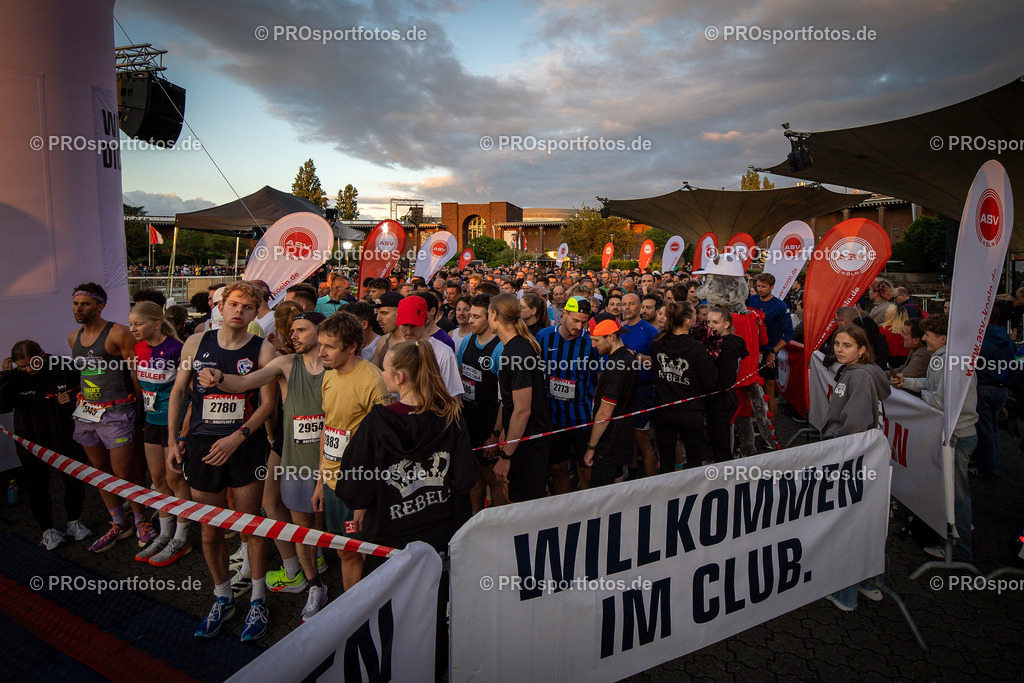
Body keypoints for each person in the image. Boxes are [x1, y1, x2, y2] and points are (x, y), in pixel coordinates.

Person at [336, 339, 478, 679]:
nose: (381, 375)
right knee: (434, 615)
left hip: (389, 541)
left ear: (399, 377)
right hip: (439, 539)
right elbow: (465, 478)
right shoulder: (450, 415)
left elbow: (354, 490)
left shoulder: (376, 423)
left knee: (388, 620)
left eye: (384, 370)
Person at [199, 312, 330, 622]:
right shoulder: (286, 363)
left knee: (318, 514)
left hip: (327, 453)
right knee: (278, 506)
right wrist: (220, 379)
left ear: (321, 332)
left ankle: (317, 562)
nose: (293, 335)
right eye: (292, 330)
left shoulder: (336, 366)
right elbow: (247, 381)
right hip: (288, 448)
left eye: (301, 329)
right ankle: (304, 573)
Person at [167, 281, 277, 640]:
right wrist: (173, 440)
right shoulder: (197, 342)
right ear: (221, 306)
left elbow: (267, 405)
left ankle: (258, 598)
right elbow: (180, 391)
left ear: (255, 311)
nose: (238, 311)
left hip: (244, 445)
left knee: (251, 525)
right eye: (232, 304)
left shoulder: (264, 349)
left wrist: (237, 437)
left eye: (247, 307)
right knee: (210, 528)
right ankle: (223, 595)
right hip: (202, 445)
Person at [313, 312, 392, 592]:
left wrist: (363, 500)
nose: (321, 352)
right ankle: (351, 612)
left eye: (329, 346)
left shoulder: (373, 380)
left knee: (361, 552)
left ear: (351, 347)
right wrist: (321, 481)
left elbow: (382, 445)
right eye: (320, 344)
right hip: (333, 484)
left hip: (359, 487)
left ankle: (361, 615)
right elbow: (328, 427)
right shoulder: (329, 374)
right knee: (344, 550)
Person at [67, 283, 148, 552]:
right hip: (87, 411)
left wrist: (138, 406)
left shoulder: (117, 333)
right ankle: (118, 522)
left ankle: (141, 521)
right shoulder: (73, 338)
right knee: (100, 472)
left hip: (117, 412)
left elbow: (137, 371)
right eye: (76, 303)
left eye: (86, 303)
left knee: (124, 473)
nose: (79, 308)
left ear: (100, 305)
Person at [893, 315, 976, 562]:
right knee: (951, 494)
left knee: (956, 497)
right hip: (958, 432)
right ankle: (955, 544)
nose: (924, 338)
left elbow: (940, 400)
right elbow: (932, 385)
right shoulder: (944, 356)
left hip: (957, 435)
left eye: (928, 334)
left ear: (943, 338)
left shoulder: (948, 359)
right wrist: (906, 382)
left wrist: (920, 398)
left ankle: (960, 552)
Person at [821, 324, 891, 612]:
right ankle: (869, 582)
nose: (839, 349)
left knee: (851, 523)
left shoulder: (859, 376)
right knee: (865, 521)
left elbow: (855, 424)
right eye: (837, 343)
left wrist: (838, 453)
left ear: (862, 349)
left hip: (852, 457)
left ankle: (846, 593)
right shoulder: (857, 371)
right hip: (861, 456)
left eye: (847, 345)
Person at [1, 342, 89, 549]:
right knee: (37, 486)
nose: (29, 370)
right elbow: (2, 405)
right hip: (31, 440)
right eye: (22, 366)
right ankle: (47, 530)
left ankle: (74, 522)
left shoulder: (64, 367)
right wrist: (6, 377)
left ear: (42, 354)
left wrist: (73, 399)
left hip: (65, 436)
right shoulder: (14, 377)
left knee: (73, 481)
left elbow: (87, 392)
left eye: (33, 363)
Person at [129, 302, 192, 567]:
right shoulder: (138, 347)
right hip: (151, 421)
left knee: (174, 479)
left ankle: (182, 536)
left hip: (172, 422)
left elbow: (188, 392)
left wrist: (182, 432)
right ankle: (165, 533)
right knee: (156, 478)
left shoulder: (178, 350)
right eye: (131, 324)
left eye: (138, 324)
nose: (133, 329)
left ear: (156, 323)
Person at [488, 292, 552, 502]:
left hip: (528, 447)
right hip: (523, 440)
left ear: (495, 315)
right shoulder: (518, 347)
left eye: (488, 313)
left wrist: (506, 456)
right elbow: (509, 402)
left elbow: (522, 410)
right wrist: (502, 429)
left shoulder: (516, 353)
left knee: (524, 504)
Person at [536, 297, 597, 494]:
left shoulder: (590, 343)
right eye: (575, 320)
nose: (579, 326)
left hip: (581, 417)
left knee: (587, 469)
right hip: (553, 418)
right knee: (557, 468)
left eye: (584, 322)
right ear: (563, 315)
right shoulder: (544, 336)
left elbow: (599, 380)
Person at [651, 302, 716, 471]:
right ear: (688, 321)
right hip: (690, 411)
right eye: (694, 314)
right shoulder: (697, 348)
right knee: (694, 462)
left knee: (666, 460)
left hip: (664, 409)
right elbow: (710, 381)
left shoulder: (658, 343)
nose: (696, 317)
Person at [458, 294, 506, 511]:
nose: (470, 320)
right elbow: (460, 376)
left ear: (490, 318)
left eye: (476, 317)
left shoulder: (500, 348)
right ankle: (475, 519)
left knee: (493, 478)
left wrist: (495, 434)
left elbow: (505, 398)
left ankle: (497, 523)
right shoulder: (467, 340)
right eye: (470, 315)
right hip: (469, 423)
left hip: (489, 426)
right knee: (473, 476)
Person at [585, 316, 637, 487]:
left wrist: (591, 448)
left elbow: (604, 413)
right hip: (621, 439)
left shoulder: (618, 366)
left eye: (596, 340)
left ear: (611, 337)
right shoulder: (627, 357)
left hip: (609, 443)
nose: (593, 345)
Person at [746, 273, 794, 426]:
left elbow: (789, 333)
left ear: (772, 287)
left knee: (769, 389)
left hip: (769, 351)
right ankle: (756, 423)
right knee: (753, 389)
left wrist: (773, 352)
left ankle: (771, 427)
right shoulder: (752, 300)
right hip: (752, 351)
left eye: (763, 287)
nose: (760, 289)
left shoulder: (780, 306)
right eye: (758, 286)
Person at [973, 307, 1015, 480]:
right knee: (993, 429)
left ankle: (989, 468)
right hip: (1001, 388)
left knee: (985, 430)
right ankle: (992, 464)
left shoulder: (979, 340)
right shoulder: (1009, 340)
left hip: (984, 386)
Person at [706, 307, 749, 462]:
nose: (710, 326)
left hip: (722, 400)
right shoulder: (716, 341)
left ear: (726, 324)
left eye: (715, 322)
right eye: (708, 322)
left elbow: (726, 378)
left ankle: (724, 471)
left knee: (722, 442)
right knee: (719, 439)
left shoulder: (728, 345)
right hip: (717, 399)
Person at [887, 318, 932, 384]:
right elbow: (903, 368)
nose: (902, 335)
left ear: (916, 340)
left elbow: (905, 376)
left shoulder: (923, 355)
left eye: (905, 334)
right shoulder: (915, 349)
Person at [879, 304, 910, 369]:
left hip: (885, 364)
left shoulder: (881, 330)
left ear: (889, 315)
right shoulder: (910, 332)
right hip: (906, 364)